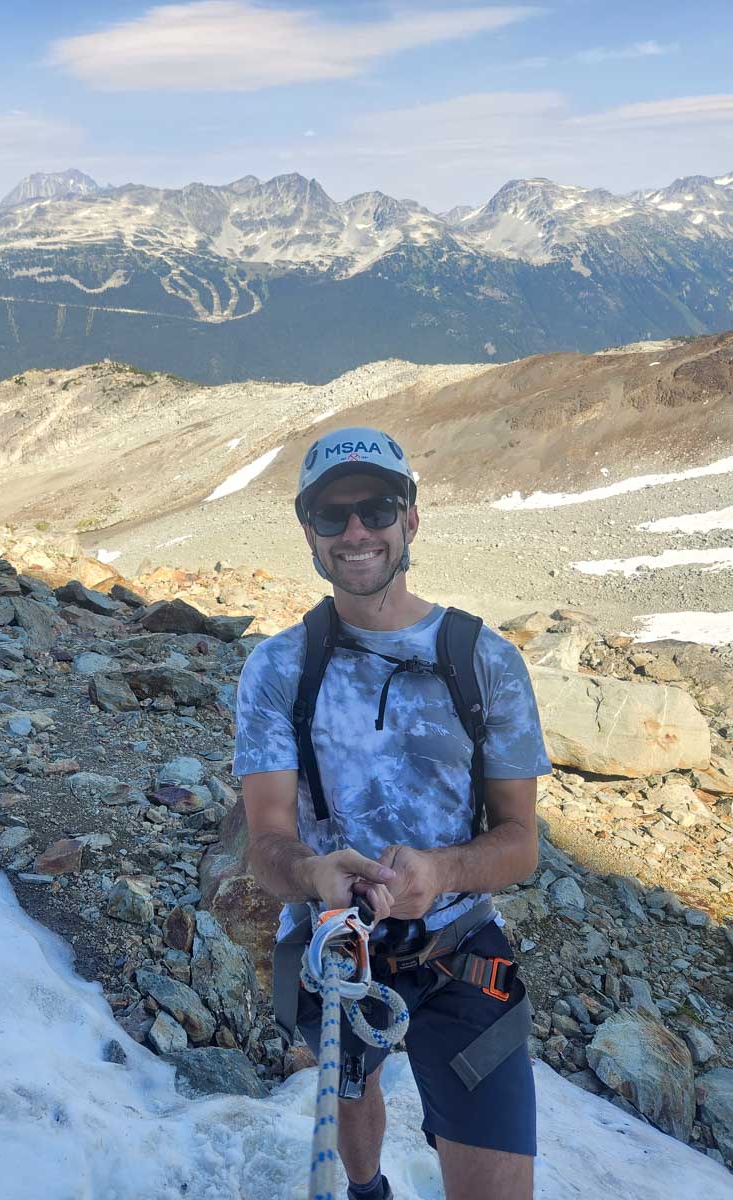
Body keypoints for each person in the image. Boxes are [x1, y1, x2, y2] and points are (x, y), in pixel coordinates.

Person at [232, 426, 552, 1200]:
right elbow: (266, 837)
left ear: (411, 518)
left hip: (460, 940)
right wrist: (311, 873)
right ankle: (366, 1188)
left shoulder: (483, 660)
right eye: (332, 516)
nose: (356, 532)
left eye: (375, 508)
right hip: (336, 947)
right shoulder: (278, 667)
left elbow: (521, 841)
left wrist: (441, 872)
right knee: (351, 1087)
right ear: (306, 528)